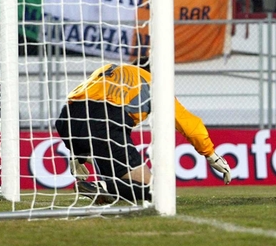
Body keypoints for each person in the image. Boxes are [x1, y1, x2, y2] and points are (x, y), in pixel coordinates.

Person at [56, 63, 232, 204]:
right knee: (158, 190)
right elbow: (188, 123)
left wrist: (76, 151)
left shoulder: (109, 69)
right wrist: (210, 153)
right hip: (105, 122)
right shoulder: (153, 83)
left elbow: (82, 105)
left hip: (67, 120)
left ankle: (103, 186)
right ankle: (100, 186)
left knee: (122, 182)